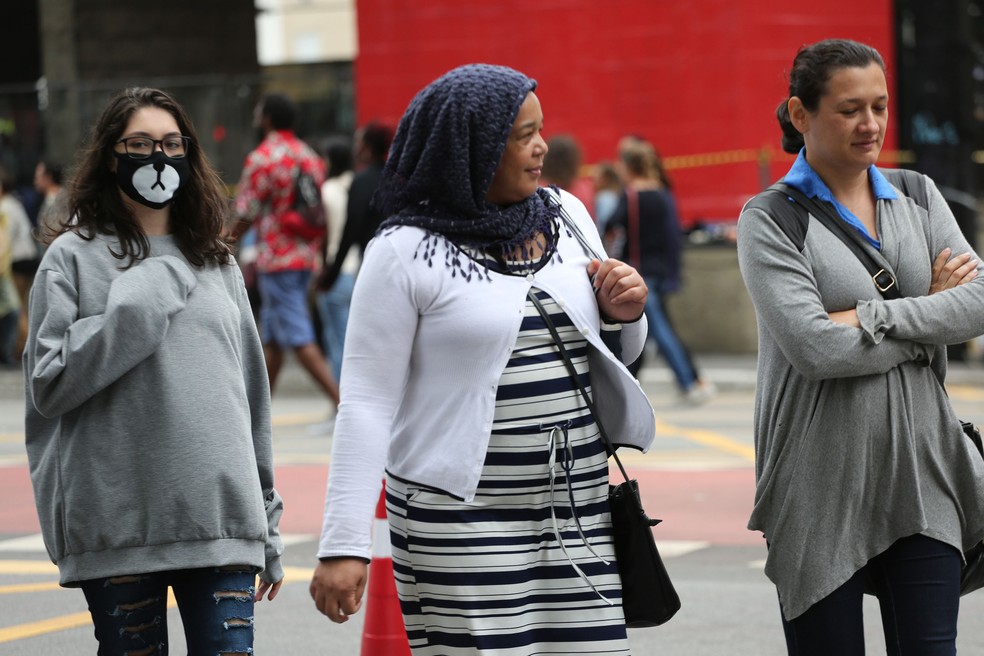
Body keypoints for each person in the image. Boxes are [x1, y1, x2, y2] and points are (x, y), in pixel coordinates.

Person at [309, 64, 655, 654]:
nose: (542, 145)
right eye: (523, 134)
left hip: (577, 507)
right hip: (461, 519)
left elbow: (612, 351)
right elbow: (366, 402)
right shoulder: (405, 249)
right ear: (470, 146)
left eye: (541, 129)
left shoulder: (567, 216)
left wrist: (628, 312)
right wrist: (345, 543)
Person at [737, 39, 984, 655]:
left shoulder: (918, 194)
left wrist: (866, 317)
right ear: (801, 114)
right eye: (850, 109)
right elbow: (815, 348)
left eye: (879, 106)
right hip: (817, 482)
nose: (870, 124)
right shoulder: (769, 218)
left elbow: (978, 304)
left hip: (925, 471)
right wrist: (928, 314)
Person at [22, 87, 284, 654]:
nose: (158, 158)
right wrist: (141, 298)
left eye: (171, 144)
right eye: (139, 144)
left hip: (221, 527)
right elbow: (49, 384)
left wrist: (267, 521)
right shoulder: (71, 257)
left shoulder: (217, 262)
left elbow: (250, 400)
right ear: (110, 156)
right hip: (120, 528)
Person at [231, 92, 340, 408]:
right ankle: (256, 410)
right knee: (275, 341)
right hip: (304, 257)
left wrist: (222, 243)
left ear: (266, 119)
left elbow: (247, 210)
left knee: (297, 336)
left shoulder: (264, 157)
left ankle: (340, 402)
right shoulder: (309, 156)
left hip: (277, 261)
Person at [606, 137, 714, 402]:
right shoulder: (662, 194)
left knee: (657, 331)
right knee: (647, 330)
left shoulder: (630, 196)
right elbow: (672, 235)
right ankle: (630, 387)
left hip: (638, 270)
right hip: (661, 271)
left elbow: (611, 223)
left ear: (629, 167)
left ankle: (688, 382)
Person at [317, 120, 393, 292]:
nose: (356, 149)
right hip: (400, 263)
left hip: (371, 263)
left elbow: (351, 229)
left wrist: (331, 276)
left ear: (367, 147)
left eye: (359, 143)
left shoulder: (360, 182)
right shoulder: (397, 179)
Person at [315, 135, 356, 382]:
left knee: (336, 341)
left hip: (333, 272)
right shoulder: (355, 185)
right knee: (352, 340)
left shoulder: (327, 190)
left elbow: (322, 234)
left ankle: (341, 401)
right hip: (357, 270)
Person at [0, 167, 37, 361]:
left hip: (18, 259)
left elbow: (6, 237)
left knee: (17, 307)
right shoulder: (13, 203)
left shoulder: (4, 207)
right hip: (27, 256)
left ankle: (26, 348)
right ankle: (21, 347)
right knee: (21, 305)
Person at [33, 159, 69, 253]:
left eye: (38, 177)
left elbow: (54, 234)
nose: (35, 181)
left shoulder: (59, 200)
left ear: (48, 177)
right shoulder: (49, 199)